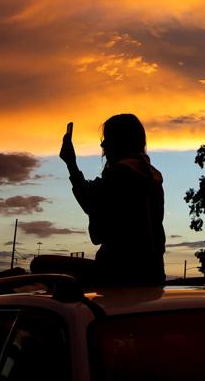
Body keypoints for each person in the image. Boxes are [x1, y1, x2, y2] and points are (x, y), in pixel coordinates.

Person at [59, 115, 165, 284]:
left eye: (107, 139)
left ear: (120, 141)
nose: (103, 145)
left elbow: (91, 203)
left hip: (119, 271)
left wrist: (71, 164)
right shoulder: (152, 175)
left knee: (42, 265)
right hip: (153, 271)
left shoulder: (120, 173)